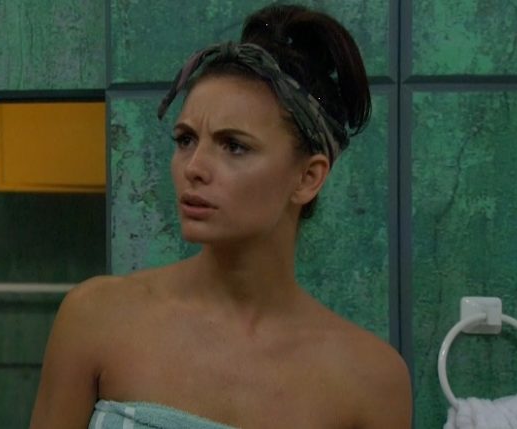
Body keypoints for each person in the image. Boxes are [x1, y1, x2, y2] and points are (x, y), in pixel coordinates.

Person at [30, 4, 412, 428]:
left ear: (308, 178)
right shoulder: (97, 318)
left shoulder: (370, 381)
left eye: (234, 146)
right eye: (185, 140)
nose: (194, 167)